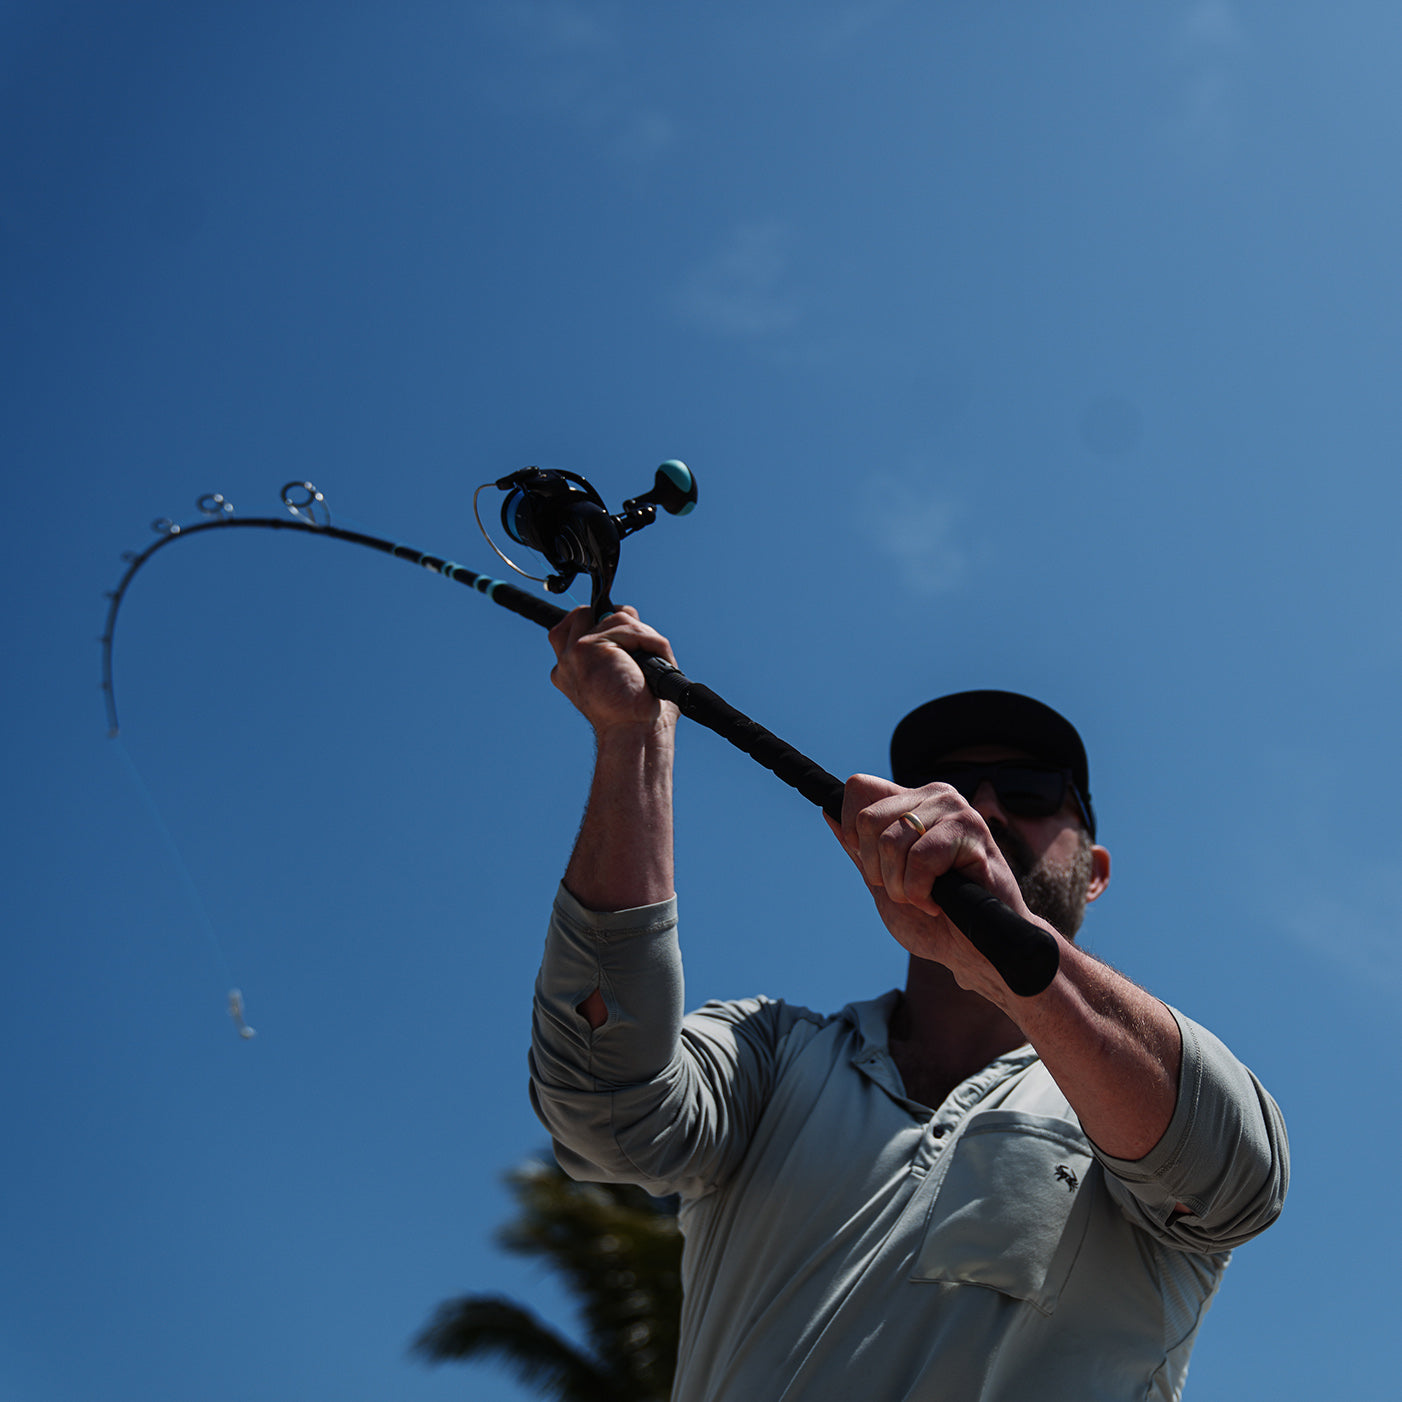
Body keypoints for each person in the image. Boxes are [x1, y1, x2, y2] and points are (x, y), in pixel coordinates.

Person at [530, 606, 1289, 1402]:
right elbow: (605, 1111)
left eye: (1030, 791)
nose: (988, 813)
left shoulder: (1142, 1096)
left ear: (1094, 871)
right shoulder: (770, 1053)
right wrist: (633, 740)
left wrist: (1012, 955)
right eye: (954, 789)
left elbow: (1234, 1187)